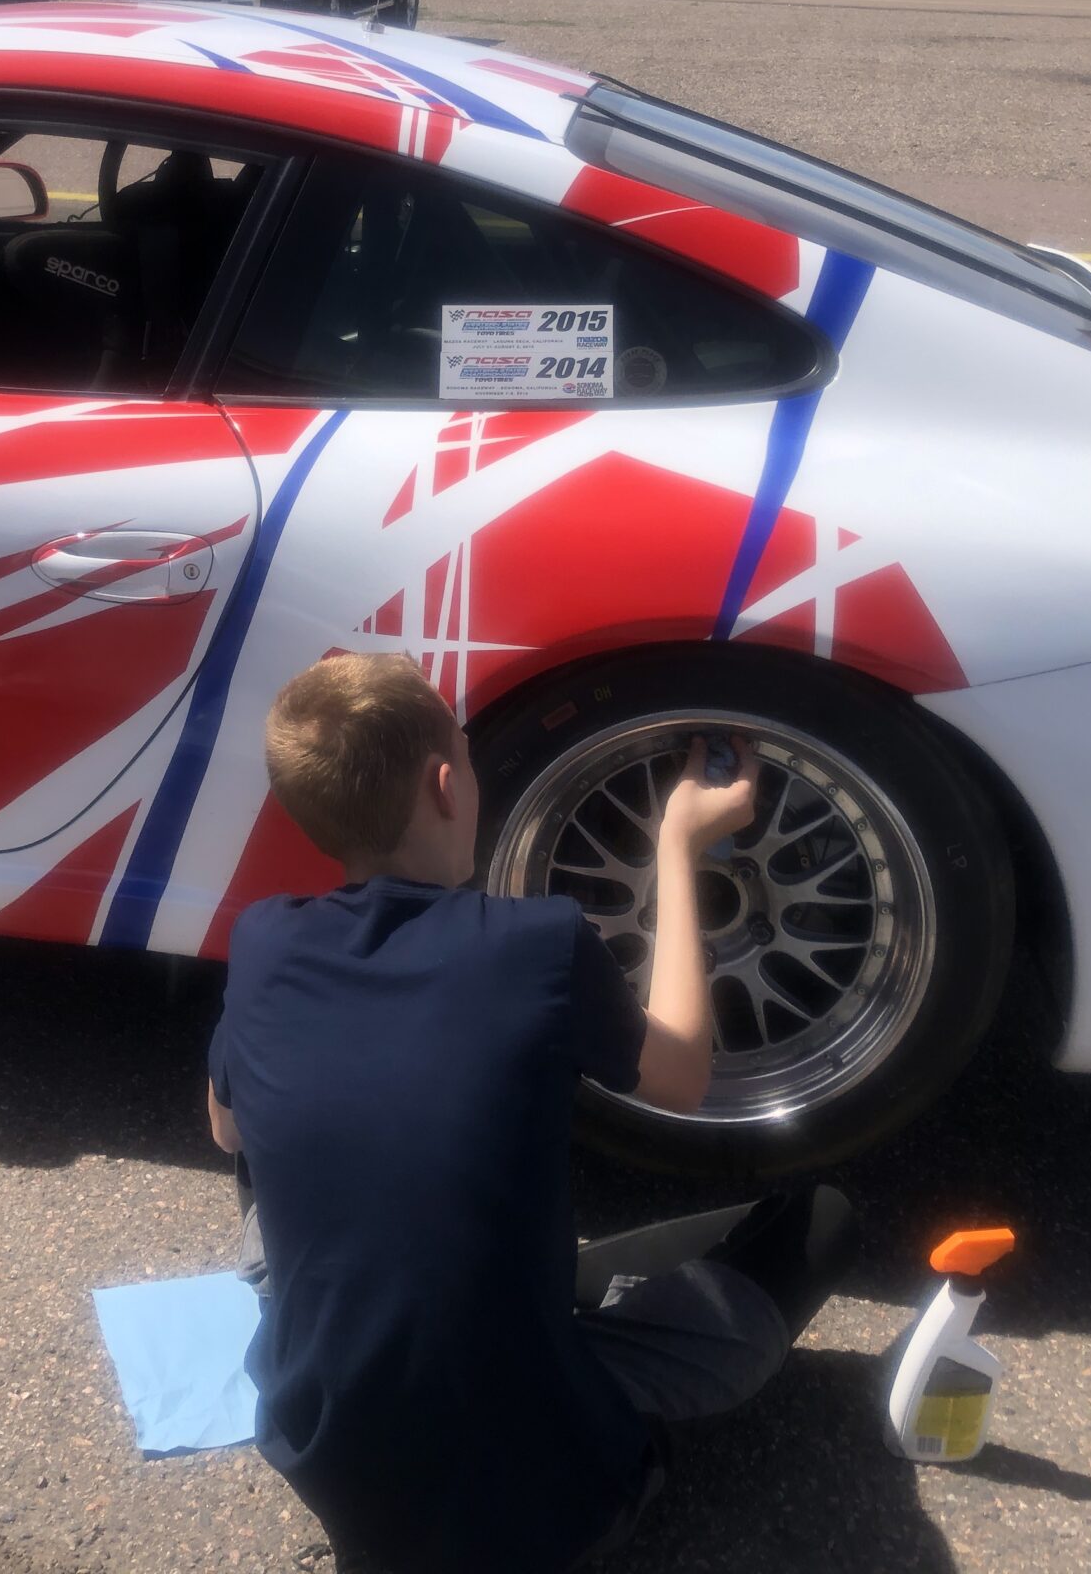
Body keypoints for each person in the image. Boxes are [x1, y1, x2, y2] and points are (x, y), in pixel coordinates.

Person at [208, 653, 857, 1572]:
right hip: (552, 1509)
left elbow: (228, 1130)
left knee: (282, 1135)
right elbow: (680, 1077)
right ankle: (564, 1333)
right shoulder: (537, 944)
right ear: (445, 784)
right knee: (820, 1222)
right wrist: (678, 847)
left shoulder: (263, 939)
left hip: (328, 1453)